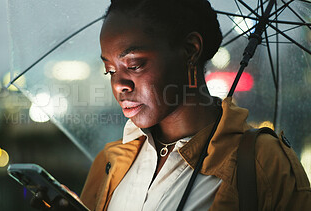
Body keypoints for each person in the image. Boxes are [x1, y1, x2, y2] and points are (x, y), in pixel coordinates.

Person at [33, 0, 311, 210]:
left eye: (134, 64)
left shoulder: (265, 163)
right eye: (110, 70)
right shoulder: (110, 162)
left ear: (190, 51)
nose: (119, 84)